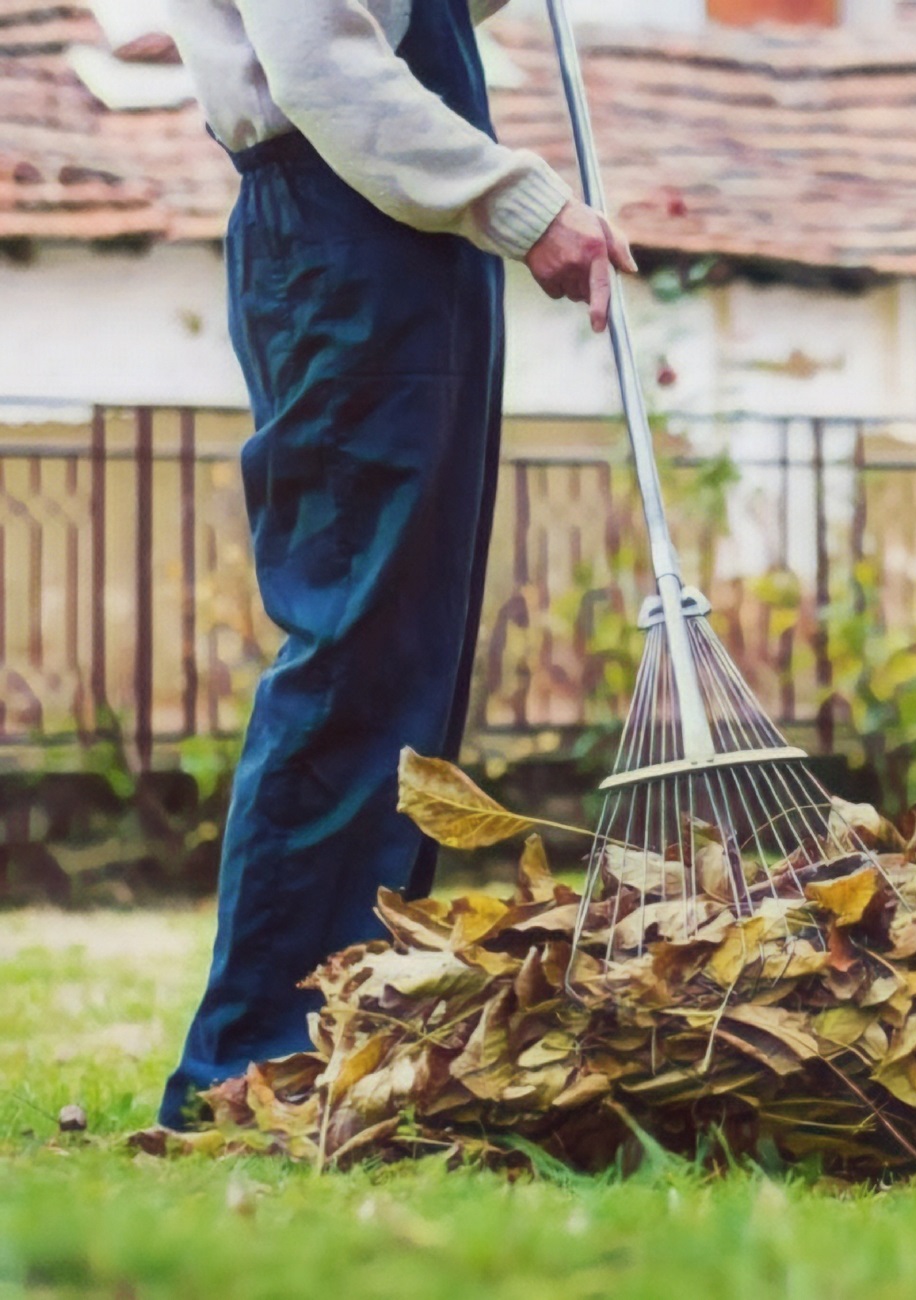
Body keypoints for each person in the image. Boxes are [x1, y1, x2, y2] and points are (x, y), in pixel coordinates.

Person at [158, 0, 635, 1129]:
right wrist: (524, 205)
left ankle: (342, 1032)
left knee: (408, 654)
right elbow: (324, 63)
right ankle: (252, 1059)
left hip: (399, 241)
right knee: (354, 645)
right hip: (344, 223)